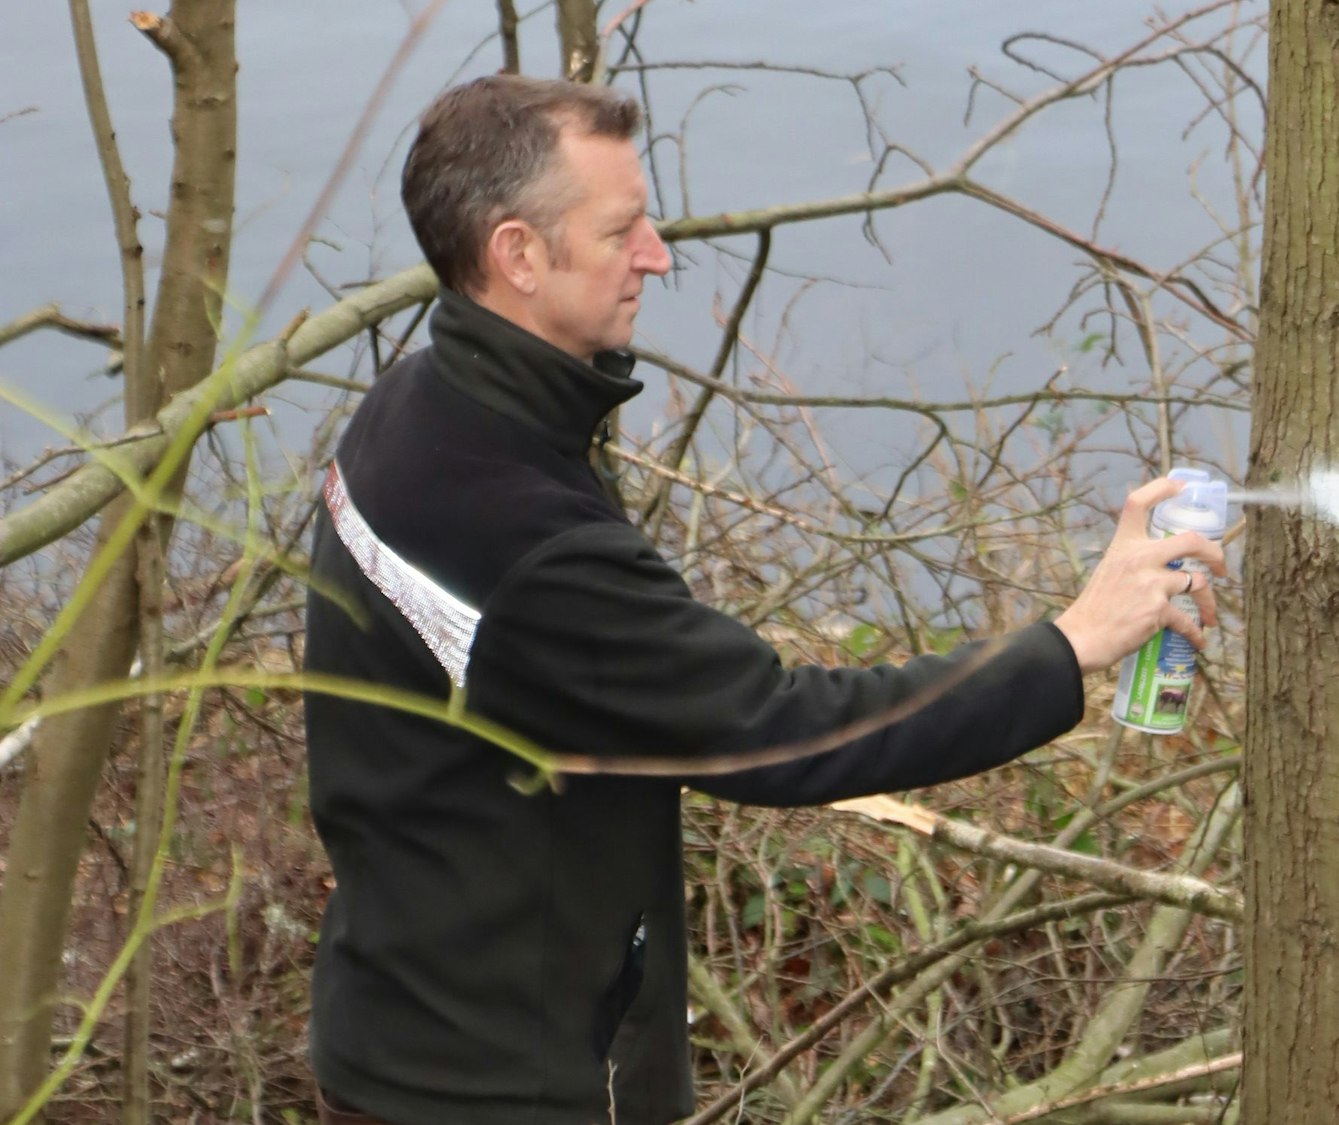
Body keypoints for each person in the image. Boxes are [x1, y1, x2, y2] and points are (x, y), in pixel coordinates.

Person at [302, 74, 1224, 1125]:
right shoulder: (522, 535)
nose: (656, 254)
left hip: (405, 1031)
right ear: (517, 254)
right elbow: (786, 731)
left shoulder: (417, 410)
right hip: (504, 1087)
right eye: (622, 230)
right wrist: (1068, 644)